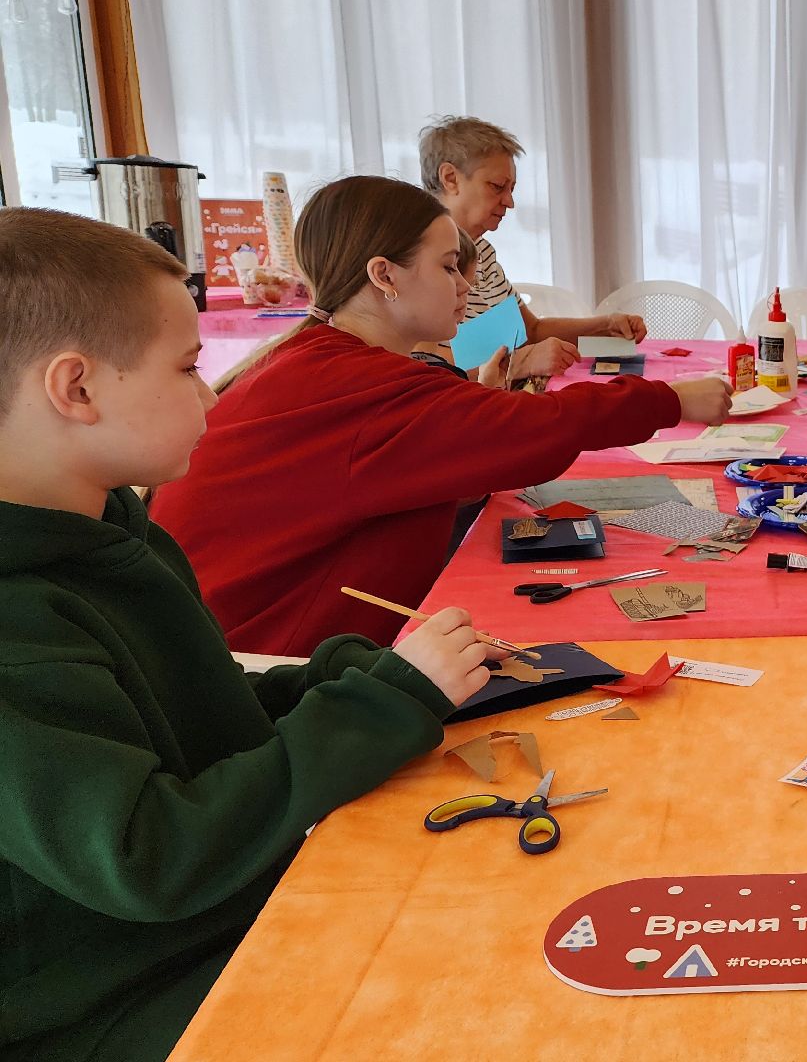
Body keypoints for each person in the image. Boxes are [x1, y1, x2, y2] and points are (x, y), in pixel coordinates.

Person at [0, 206, 493, 1061]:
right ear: (75, 388)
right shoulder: (19, 618)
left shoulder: (111, 524)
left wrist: (348, 676)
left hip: (218, 919)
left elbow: (192, 707)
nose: (209, 392)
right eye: (189, 367)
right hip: (112, 1000)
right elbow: (150, 856)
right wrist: (374, 708)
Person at [149, 176, 732, 657]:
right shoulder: (360, 385)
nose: (466, 286)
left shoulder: (319, 361)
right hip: (264, 670)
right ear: (384, 276)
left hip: (231, 644)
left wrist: (477, 413)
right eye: (450, 268)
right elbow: (542, 427)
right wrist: (672, 400)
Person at [419, 116, 645, 380]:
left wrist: (605, 326)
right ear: (450, 178)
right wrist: (521, 363)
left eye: (511, 189)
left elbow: (531, 329)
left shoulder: (484, 253)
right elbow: (423, 366)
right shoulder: (418, 262)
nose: (510, 202)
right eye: (497, 187)